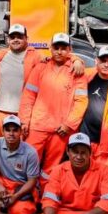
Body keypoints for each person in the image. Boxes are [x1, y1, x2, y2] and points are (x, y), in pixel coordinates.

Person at [19, 32, 89, 173]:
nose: (59, 51)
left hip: (60, 130)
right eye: (56, 47)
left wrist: (69, 124)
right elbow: (28, 96)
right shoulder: (40, 68)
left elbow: (81, 102)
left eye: (63, 48)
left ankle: (47, 194)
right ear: (50, 48)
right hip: (37, 126)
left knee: (51, 170)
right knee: (27, 164)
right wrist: (24, 121)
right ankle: (25, 194)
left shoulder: (77, 72)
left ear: (69, 50)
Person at [0, 24, 44, 135]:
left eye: (19, 37)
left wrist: (76, 59)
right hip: (1, 112)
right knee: (1, 146)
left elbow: (56, 61)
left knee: (22, 149)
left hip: (23, 115)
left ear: (26, 39)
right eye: (12, 37)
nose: (15, 40)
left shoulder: (36, 57)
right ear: (8, 40)